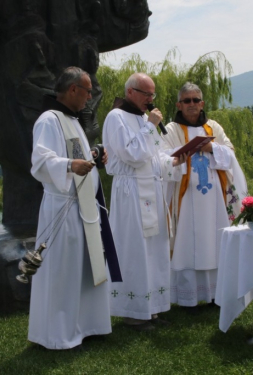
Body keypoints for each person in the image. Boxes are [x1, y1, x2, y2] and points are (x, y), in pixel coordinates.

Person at [28, 66, 121, 350]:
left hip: (84, 208)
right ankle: (58, 334)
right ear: (72, 90)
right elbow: (41, 162)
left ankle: (86, 325)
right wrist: (70, 165)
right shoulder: (49, 120)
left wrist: (95, 155)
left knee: (84, 269)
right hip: (63, 208)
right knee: (63, 272)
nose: (90, 97)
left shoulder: (72, 120)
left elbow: (78, 156)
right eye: (87, 91)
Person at [102, 72, 187, 331]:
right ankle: (133, 313)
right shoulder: (116, 117)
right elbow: (132, 154)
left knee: (155, 250)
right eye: (146, 94)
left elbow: (154, 156)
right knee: (135, 251)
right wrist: (150, 125)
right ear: (130, 92)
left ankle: (152, 309)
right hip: (131, 191)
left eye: (153, 95)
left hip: (152, 189)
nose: (150, 100)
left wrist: (173, 161)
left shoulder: (143, 118)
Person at [162, 82, 247, 310]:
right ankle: (187, 298)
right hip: (185, 198)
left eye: (196, 100)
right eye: (187, 100)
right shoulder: (170, 130)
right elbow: (160, 157)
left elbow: (230, 154)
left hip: (215, 200)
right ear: (179, 104)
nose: (192, 105)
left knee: (215, 241)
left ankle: (215, 295)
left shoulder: (213, 128)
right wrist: (181, 154)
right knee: (186, 244)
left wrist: (211, 149)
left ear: (202, 103)